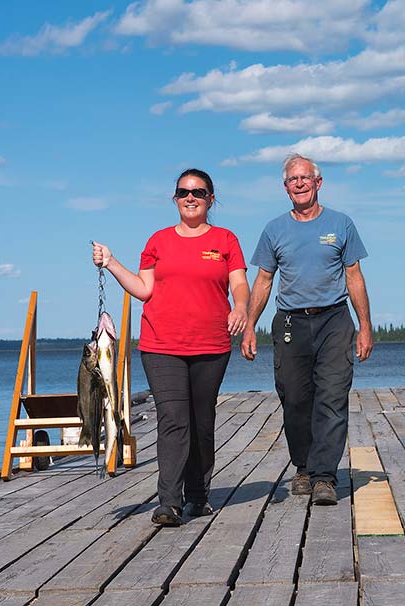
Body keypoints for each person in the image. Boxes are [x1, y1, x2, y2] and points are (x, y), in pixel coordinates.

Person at [92, 168, 249, 527]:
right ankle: (169, 502)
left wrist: (240, 308)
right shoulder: (158, 241)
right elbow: (144, 289)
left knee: (201, 421)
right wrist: (112, 263)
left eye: (198, 192)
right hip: (161, 344)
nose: (190, 197)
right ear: (175, 199)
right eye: (183, 192)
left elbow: (239, 283)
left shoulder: (225, 239)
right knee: (173, 421)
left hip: (211, 345)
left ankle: (198, 495)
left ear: (211, 198)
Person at [241, 154, 373, 507]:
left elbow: (354, 277)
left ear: (318, 182)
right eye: (292, 180)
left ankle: (324, 476)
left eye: (305, 178)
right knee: (295, 399)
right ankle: (303, 466)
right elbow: (264, 280)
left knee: (332, 396)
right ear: (285, 188)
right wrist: (249, 326)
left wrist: (365, 327)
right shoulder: (274, 230)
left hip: (334, 319)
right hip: (290, 322)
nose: (299, 184)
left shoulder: (341, 224)